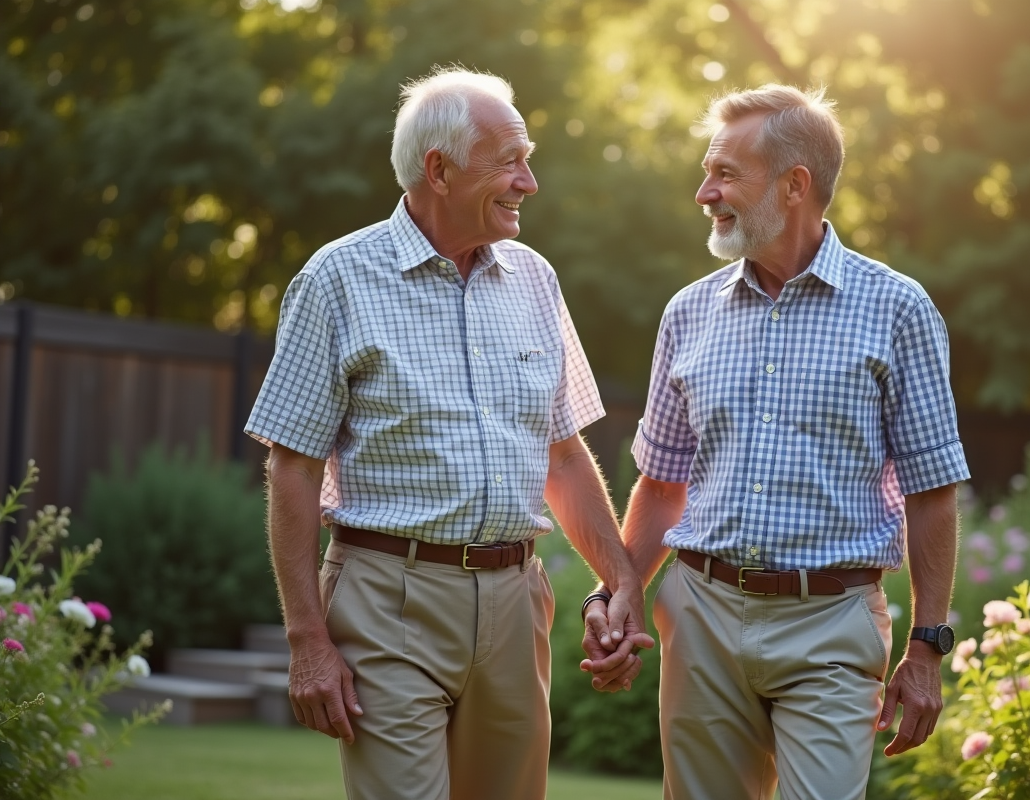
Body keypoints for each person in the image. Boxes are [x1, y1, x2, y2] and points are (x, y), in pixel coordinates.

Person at [245, 67, 650, 800]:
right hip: (387, 598)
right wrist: (307, 640)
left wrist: (621, 583)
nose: (528, 182)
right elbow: (292, 468)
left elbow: (563, 456)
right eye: (509, 161)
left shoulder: (535, 278)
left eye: (527, 160)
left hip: (515, 601)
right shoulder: (337, 278)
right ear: (439, 170)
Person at [583, 84, 970, 800]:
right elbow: (662, 485)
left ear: (795, 185)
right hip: (701, 614)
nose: (705, 192)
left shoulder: (898, 308)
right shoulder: (688, 312)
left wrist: (926, 646)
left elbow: (933, 492)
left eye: (726, 173)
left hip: (832, 621)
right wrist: (617, 595)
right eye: (707, 172)